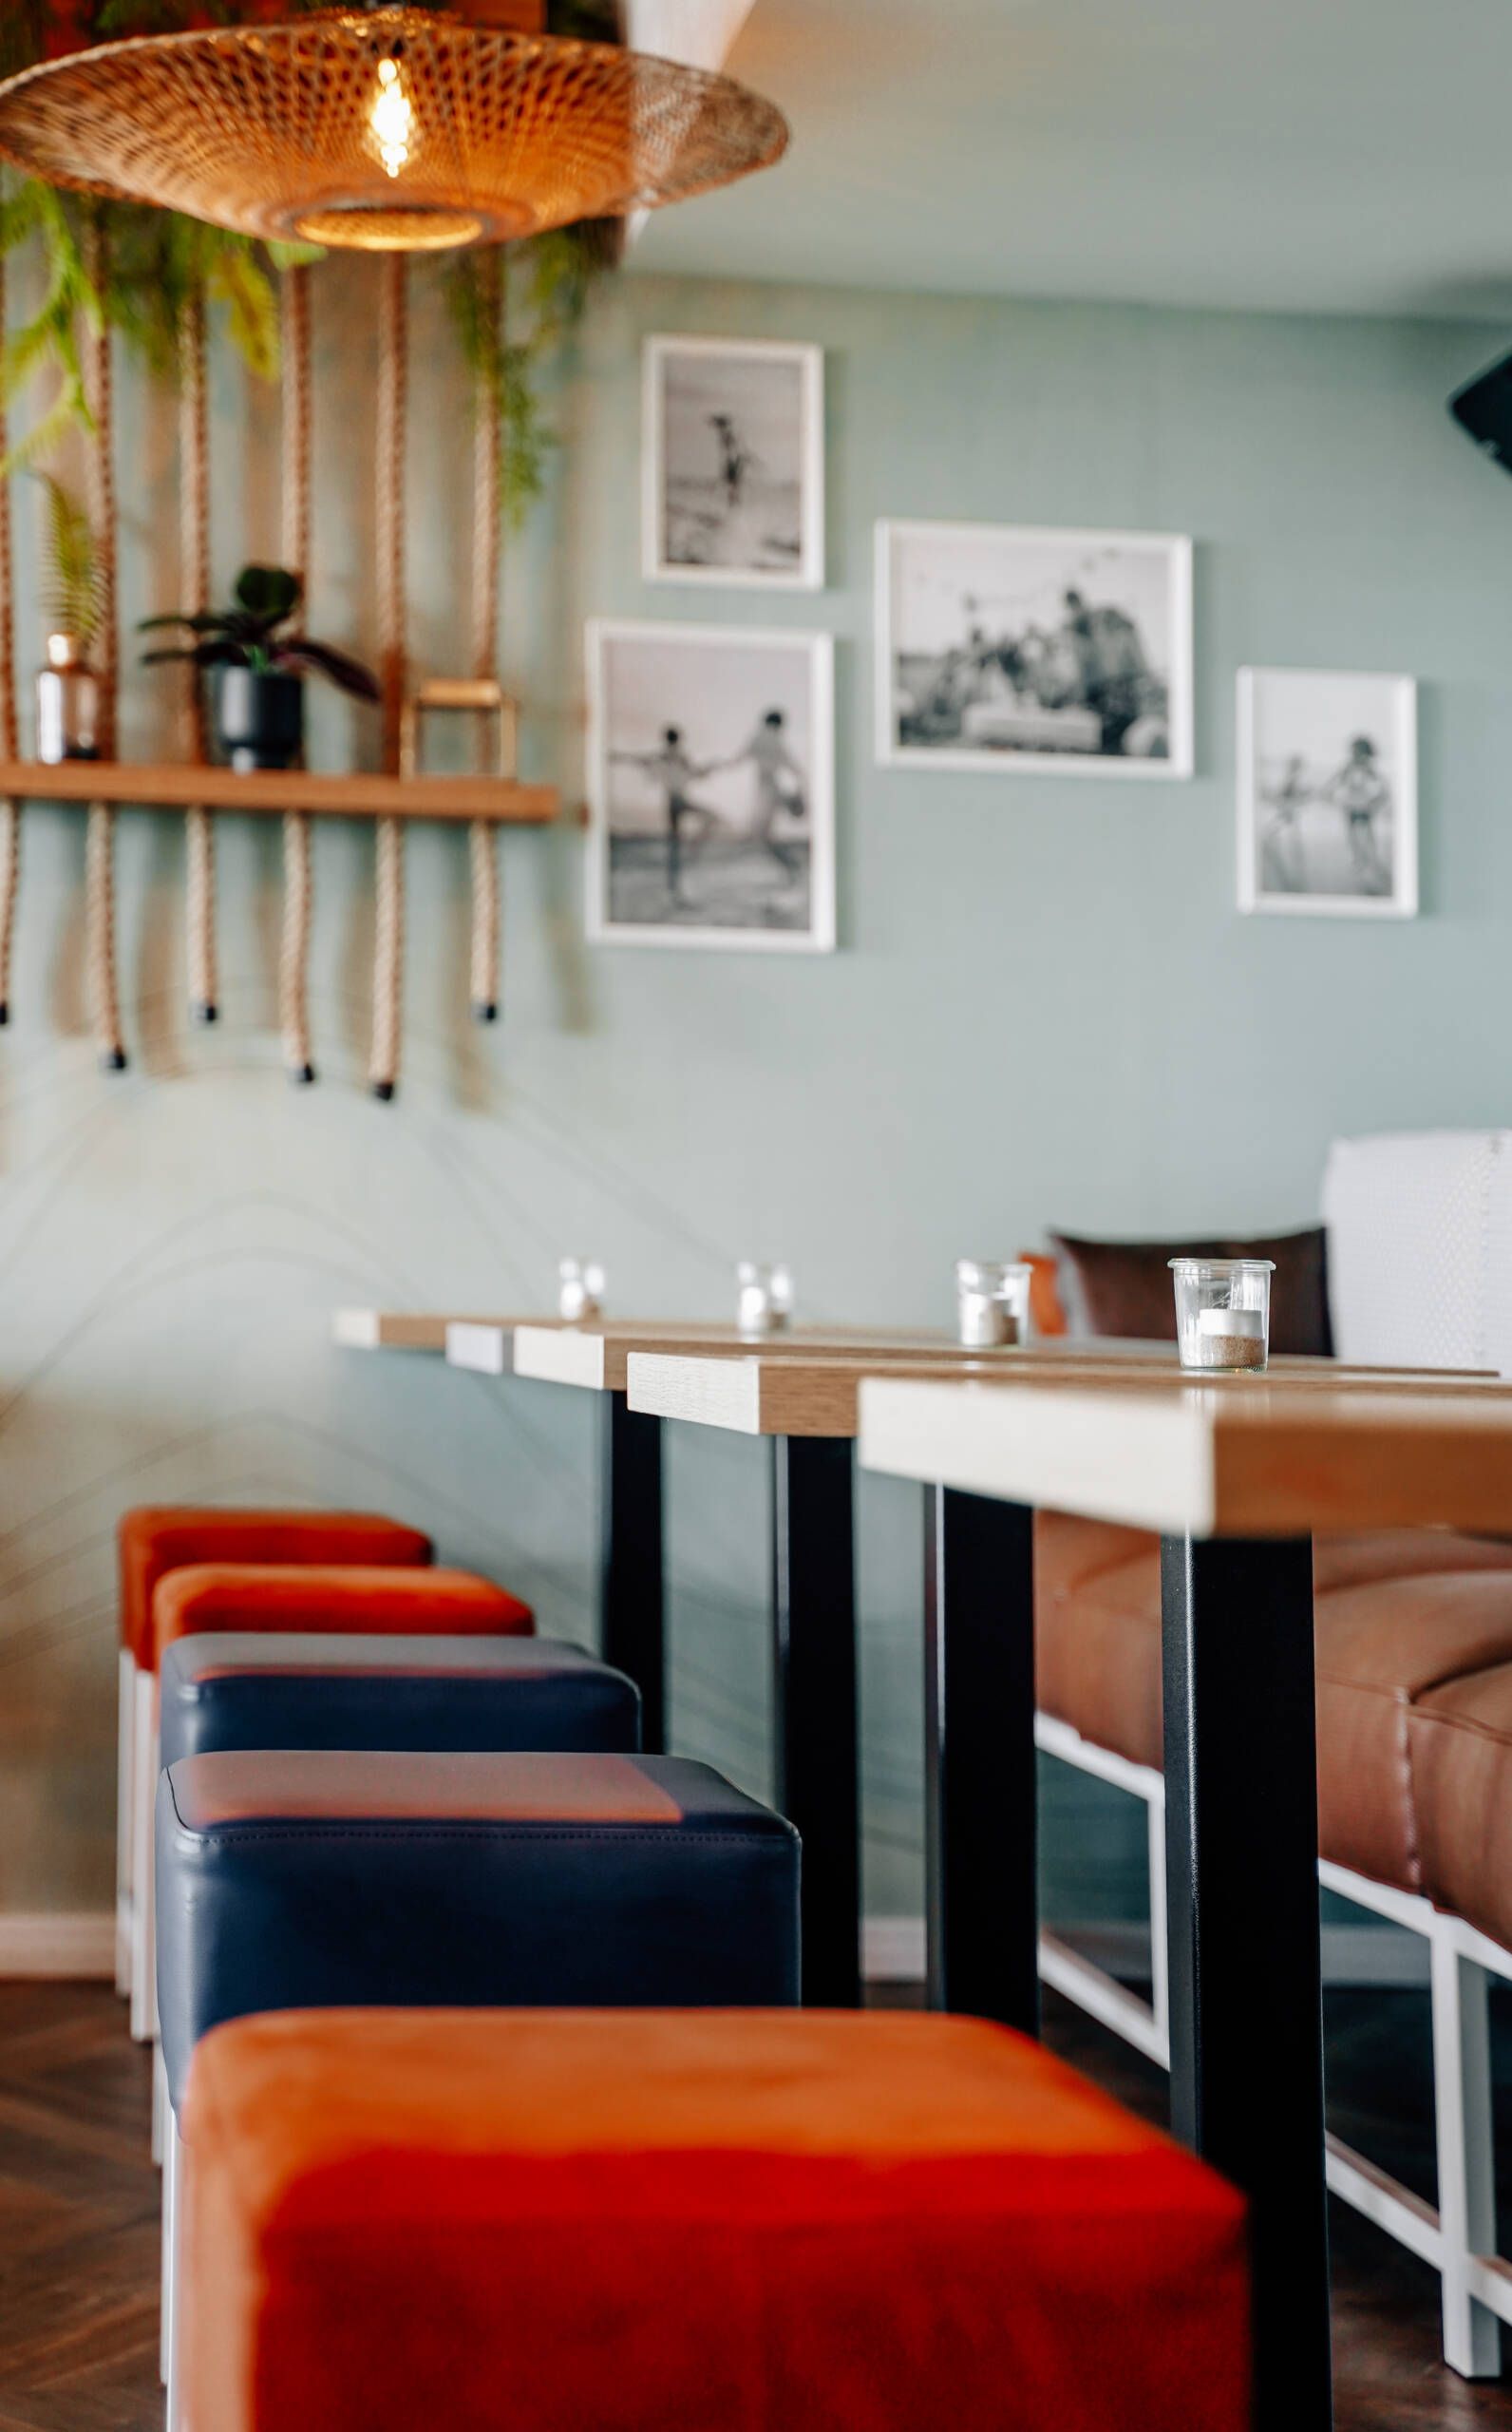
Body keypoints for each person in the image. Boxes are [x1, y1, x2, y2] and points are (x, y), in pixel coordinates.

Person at [611, 726, 720, 910]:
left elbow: (641, 760)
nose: (675, 745)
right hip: (676, 802)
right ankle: (677, 884)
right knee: (697, 829)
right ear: (677, 740)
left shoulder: (673, 757)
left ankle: (679, 878)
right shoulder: (673, 756)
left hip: (675, 801)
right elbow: (693, 773)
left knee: (682, 840)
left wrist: (619, 757)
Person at [722, 708, 806, 886]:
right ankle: (792, 867)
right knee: (763, 835)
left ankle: (792, 867)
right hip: (772, 789)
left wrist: (719, 766)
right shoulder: (776, 741)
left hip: (767, 790)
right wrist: (800, 791)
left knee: (761, 834)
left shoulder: (759, 738)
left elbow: (738, 759)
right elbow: (795, 769)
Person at [1320, 733, 1391, 892]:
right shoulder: (1350, 766)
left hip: (1363, 804)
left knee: (1366, 832)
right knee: (1353, 832)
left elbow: (1381, 783)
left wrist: (1380, 798)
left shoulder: (1366, 767)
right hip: (1353, 803)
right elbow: (1336, 779)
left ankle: (1369, 857)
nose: (1356, 755)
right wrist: (1328, 792)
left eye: (1357, 751)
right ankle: (1360, 858)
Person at [1260, 753, 1311, 891]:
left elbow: (1286, 793)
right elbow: (1285, 793)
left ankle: (1270, 836)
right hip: (1288, 806)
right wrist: (1294, 800)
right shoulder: (1291, 778)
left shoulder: (1291, 777)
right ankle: (1268, 836)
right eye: (1299, 765)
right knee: (1284, 823)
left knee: (1285, 823)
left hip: (1288, 806)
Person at [709, 412, 755, 515]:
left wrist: (728, 467)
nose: (718, 429)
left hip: (735, 463)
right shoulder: (729, 434)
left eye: (719, 426)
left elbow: (735, 451)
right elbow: (737, 450)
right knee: (733, 490)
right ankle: (734, 512)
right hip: (734, 463)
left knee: (733, 490)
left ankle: (735, 513)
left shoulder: (729, 435)